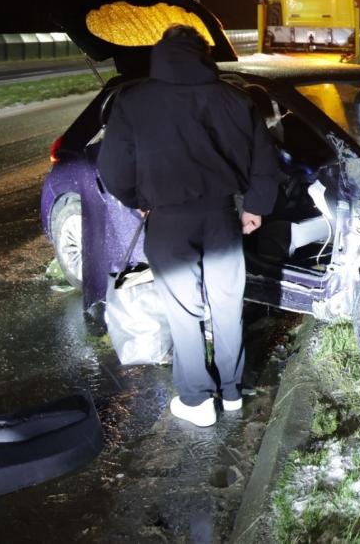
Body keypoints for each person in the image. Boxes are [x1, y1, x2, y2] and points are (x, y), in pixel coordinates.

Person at [98, 24, 281, 428]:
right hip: (222, 218)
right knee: (228, 305)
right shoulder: (236, 100)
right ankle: (232, 391)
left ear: (159, 55)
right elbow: (265, 163)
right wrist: (254, 207)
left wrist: (140, 201)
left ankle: (198, 399)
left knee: (184, 312)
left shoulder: (133, 101)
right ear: (205, 55)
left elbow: (112, 169)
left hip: (168, 222)